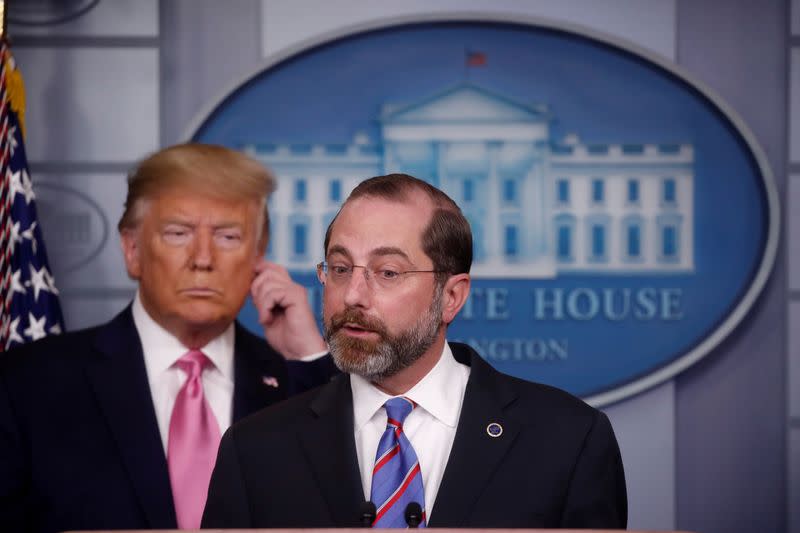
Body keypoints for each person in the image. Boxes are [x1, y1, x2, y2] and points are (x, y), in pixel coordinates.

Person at [202, 173, 628, 529]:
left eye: (388, 272)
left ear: (451, 297)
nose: (352, 294)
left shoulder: (569, 441)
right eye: (340, 268)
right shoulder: (255, 449)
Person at [0, 143, 334, 533]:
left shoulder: (297, 382)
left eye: (228, 237)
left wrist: (309, 360)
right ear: (132, 250)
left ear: (259, 256)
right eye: (178, 233)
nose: (203, 258)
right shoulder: (28, 385)